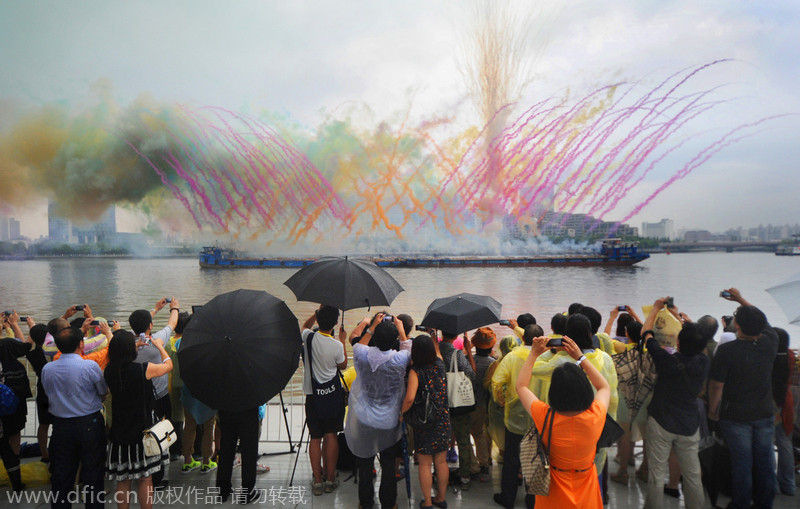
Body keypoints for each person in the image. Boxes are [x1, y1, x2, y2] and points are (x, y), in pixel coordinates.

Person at [516, 335, 611, 509]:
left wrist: (533, 354)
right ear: (585, 390)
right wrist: (580, 357)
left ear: (554, 392)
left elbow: (521, 386)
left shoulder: (545, 416)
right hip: (586, 486)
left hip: (553, 489)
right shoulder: (595, 415)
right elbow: (604, 386)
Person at [708, 288, 778, 509]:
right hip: (764, 413)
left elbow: (717, 385)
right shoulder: (770, 342)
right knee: (766, 462)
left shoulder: (727, 351)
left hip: (736, 416)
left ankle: (740, 504)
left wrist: (713, 410)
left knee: (742, 463)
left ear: (736, 325)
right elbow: (762, 321)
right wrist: (740, 299)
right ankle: (764, 503)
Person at [640, 298, 709, 509]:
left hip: (661, 421)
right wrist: (678, 316)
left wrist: (654, 310)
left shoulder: (666, 359)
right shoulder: (704, 362)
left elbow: (646, 333)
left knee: (657, 473)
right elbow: (694, 343)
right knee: (692, 475)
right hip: (689, 425)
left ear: (678, 342)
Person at [345, 313, 410, 509]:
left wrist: (371, 325)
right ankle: (388, 503)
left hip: (364, 418)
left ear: (374, 336)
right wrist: (400, 328)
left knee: (365, 463)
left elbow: (357, 342)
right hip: (389, 421)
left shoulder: (362, 355)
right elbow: (407, 345)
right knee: (389, 465)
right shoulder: (400, 359)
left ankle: (365, 503)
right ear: (394, 340)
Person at [42, 319, 108, 509]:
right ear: (81, 344)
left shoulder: (48, 368)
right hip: (89, 423)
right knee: (93, 474)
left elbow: (49, 391)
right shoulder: (90, 367)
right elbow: (103, 392)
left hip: (61, 426)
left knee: (61, 476)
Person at [105, 330, 173, 509]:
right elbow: (168, 365)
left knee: (124, 479)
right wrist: (159, 346)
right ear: (130, 350)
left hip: (119, 432)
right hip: (142, 432)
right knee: (145, 479)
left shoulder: (109, 370)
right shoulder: (144, 369)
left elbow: (121, 358)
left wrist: (133, 345)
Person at [129, 297, 182, 487]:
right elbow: (173, 322)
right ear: (151, 325)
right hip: (158, 398)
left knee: (138, 434)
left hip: (134, 400)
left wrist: (154, 309)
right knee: (158, 435)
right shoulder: (157, 339)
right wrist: (174, 307)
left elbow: (139, 326)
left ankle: (137, 469)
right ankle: (157, 477)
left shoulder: (128, 344)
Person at [301, 305, 347, 496]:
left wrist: (316, 313)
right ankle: (330, 479)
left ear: (319, 319)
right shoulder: (336, 345)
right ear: (336, 322)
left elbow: (304, 326)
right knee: (331, 435)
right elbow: (342, 365)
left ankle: (317, 481)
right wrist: (343, 341)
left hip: (313, 396)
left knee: (315, 437)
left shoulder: (308, 337)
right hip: (331, 396)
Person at [491, 325, 538, 509]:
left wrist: (501, 401)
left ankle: (508, 497)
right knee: (534, 460)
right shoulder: (547, 357)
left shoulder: (513, 356)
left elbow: (496, 382)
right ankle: (532, 499)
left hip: (515, 417)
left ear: (523, 338)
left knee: (511, 459)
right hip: (538, 417)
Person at [401, 334, 450, 509]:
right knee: (441, 462)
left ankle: (427, 502)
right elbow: (437, 351)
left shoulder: (416, 371)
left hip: (425, 422)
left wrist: (402, 413)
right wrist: (433, 336)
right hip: (443, 419)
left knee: (425, 463)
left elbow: (409, 398)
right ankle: (441, 498)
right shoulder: (440, 364)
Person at [439, 328, 479, 489]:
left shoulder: (434, 350)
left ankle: (440, 472)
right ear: (456, 336)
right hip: (458, 403)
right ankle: (464, 475)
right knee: (463, 440)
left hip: (440, 402)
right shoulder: (457, 354)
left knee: (440, 440)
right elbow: (472, 374)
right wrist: (469, 351)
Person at [0, 311, 31, 493]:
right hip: (15, 409)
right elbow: (25, 346)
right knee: (13, 439)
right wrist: (16, 324)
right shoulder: (16, 363)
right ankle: (17, 480)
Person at [470, 327, 496, 481]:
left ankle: (474, 464)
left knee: (473, 433)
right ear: (492, 347)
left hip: (471, 404)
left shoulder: (468, 361)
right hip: (487, 405)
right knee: (483, 434)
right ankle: (486, 462)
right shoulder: (494, 364)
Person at [772, 328, 796, 496]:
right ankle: (788, 484)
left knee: (766, 445)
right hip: (786, 403)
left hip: (770, 404)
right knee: (785, 444)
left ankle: (772, 486)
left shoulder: (770, 359)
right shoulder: (789, 357)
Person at [25, 321, 53, 463]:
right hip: (55, 389)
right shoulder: (54, 351)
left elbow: (28, 342)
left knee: (43, 425)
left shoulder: (32, 354)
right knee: (60, 423)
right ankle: (58, 450)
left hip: (42, 389)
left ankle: (44, 454)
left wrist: (32, 328)